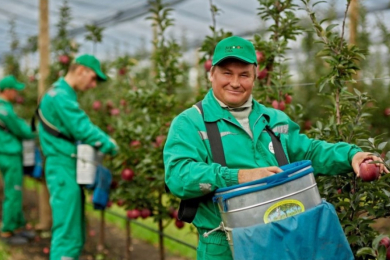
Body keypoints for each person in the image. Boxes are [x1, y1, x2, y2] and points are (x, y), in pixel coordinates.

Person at [163, 36, 388, 260]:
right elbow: (178, 176)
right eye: (227, 73)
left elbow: (309, 151)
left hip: (283, 240)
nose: (235, 82)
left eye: (244, 75)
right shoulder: (190, 122)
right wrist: (239, 176)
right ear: (211, 74)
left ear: (255, 77)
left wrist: (351, 155)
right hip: (225, 246)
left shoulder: (274, 119)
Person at [38, 54, 118, 260]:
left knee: (74, 230)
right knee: (67, 233)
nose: (93, 85)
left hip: (67, 165)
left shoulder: (64, 94)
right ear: (81, 70)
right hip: (62, 166)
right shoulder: (60, 96)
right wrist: (110, 145)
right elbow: (82, 127)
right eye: (93, 78)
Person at [0, 75, 36, 245]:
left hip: (6, 153)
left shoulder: (5, 108)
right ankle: (7, 230)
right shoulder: (4, 110)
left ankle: (18, 226)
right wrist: (36, 131)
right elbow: (22, 130)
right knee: (13, 192)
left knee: (15, 190)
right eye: (14, 90)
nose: (16, 93)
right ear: (6, 91)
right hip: (9, 154)